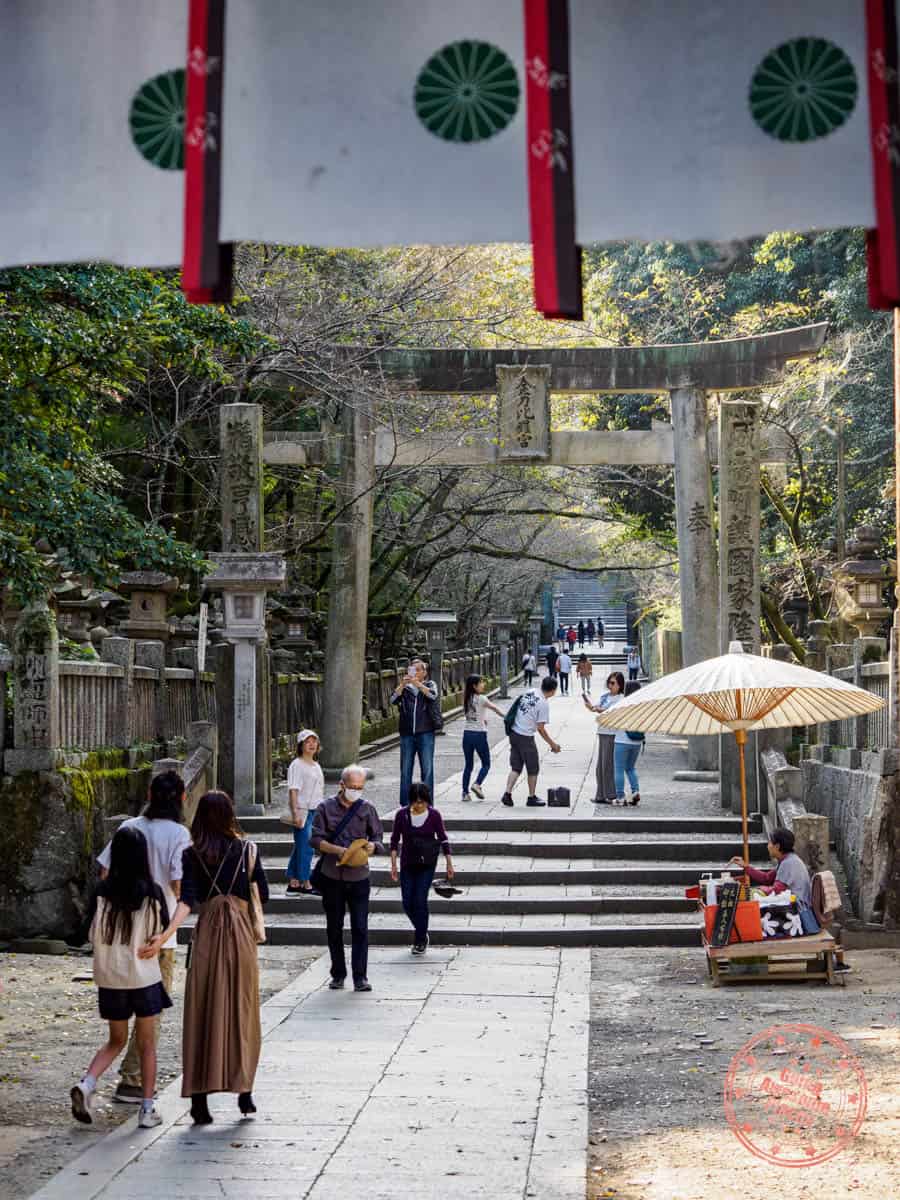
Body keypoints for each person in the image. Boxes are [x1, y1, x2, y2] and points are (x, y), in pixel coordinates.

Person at [142, 790, 269, 1125]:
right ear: (230, 814)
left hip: (208, 936)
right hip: (240, 935)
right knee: (242, 1010)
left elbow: (189, 899)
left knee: (202, 1009)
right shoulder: (247, 849)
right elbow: (264, 894)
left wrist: (166, 935)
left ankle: (199, 1099)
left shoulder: (192, 853)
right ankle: (244, 1092)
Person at [95, 769, 191, 1105]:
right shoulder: (179, 834)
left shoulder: (128, 827)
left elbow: (105, 874)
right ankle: (133, 1081)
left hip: (118, 932)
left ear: (149, 794)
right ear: (182, 798)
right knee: (150, 1013)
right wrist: (170, 926)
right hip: (156, 936)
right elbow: (181, 887)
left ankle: (112, 1078)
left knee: (119, 1015)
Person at [70, 826, 169, 1129]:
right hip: (143, 978)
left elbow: (87, 933)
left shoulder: (100, 893)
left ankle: (87, 1084)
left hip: (110, 978)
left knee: (116, 1039)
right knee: (147, 1044)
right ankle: (147, 1109)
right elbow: (158, 931)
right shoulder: (151, 893)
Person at [311, 764, 386, 992]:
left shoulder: (367, 809)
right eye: (352, 786)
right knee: (334, 926)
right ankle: (338, 973)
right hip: (332, 874)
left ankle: (360, 976)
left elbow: (379, 839)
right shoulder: (325, 808)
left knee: (360, 927)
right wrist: (337, 850)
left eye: (360, 787)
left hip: (359, 875)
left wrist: (372, 847)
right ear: (342, 785)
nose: (356, 790)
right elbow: (314, 840)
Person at [390, 782, 453, 954]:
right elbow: (394, 840)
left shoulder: (434, 815)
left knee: (419, 899)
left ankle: (419, 939)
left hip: (427, 863)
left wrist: (449, 862)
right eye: (416, 802)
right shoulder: (402, 815)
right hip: (408, 862)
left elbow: (443, 838)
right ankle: (422, 930)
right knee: (407, 902)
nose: (419, 805)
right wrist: (394, 863)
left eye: (422, 802)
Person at [729, 827, 819, 933]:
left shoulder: (789, 863)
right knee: (755, 895)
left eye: (770, 843)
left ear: (777, 846)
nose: (768, 846)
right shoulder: (787, 859)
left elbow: (776, 890)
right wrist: (745, 866)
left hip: (797, 910)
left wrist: (756, 890)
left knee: (751, 902)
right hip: (793, 905)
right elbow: (766, 878)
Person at [501, 676, 561, 808]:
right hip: (525, 737)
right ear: (553, 690)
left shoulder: (531, 691)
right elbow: (541, 729)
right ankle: (531, 797)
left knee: (516, 767)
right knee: (533, 768)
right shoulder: (543, 703)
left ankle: (507, 794)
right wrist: (553, 745)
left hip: (514, 733)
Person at [391, 658, 440, 806]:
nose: (415, 672)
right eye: (412, 670)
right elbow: (392, 700)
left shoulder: (430, 684)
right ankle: (405, 803)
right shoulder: (405, 688)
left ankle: (427, 802)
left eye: (418, 670)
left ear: (424, 672)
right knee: (405, 770)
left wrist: (417, 683)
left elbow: (432, 695)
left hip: (425, 732)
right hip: (407, 734)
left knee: (427, 769)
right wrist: (402, 684)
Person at [285, 729, 325, 894]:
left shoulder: (316, 765)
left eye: (314, 741)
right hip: (302, 810)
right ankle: (306, 882)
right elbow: (293, 790)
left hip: (315, 811)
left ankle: (293, 882)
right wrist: (295, 813)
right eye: (307, 742)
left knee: (301, 846)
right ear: (301, 745)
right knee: (307, 847)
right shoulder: (297, 764)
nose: (311, 745)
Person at [583, 671, 624, 804]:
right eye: (609, 682)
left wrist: (596, 709)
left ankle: (610, 794)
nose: (610, 685)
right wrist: (591, 707)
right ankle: (600, 794)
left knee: (607, 765)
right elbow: (597, 708)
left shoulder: (620, 699)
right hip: (602, 732)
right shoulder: (605, 696)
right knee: (600, 766)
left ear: (620, 685)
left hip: (612, 734)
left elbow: (607, 711)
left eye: (613, 683)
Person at [461, 673, 504, 801]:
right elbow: (495, 708)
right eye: (481, 683)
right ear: (474, 686)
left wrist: (483, 718)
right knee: (486, 764)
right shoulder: (482, 699)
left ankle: (465, 793)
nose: (483, 685)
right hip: (479, 734)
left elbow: (473, 713)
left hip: (467, 734)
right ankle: (477, 784)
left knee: (468, 765)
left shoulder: (465, 698)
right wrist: (507, 717)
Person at [612, 680, 643, 806]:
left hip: (621, 740)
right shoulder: (642, 704)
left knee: (619, 769)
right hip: (637, 741)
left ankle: (620, 797)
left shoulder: (622, 703)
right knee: (630, 768)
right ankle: (635, 791)